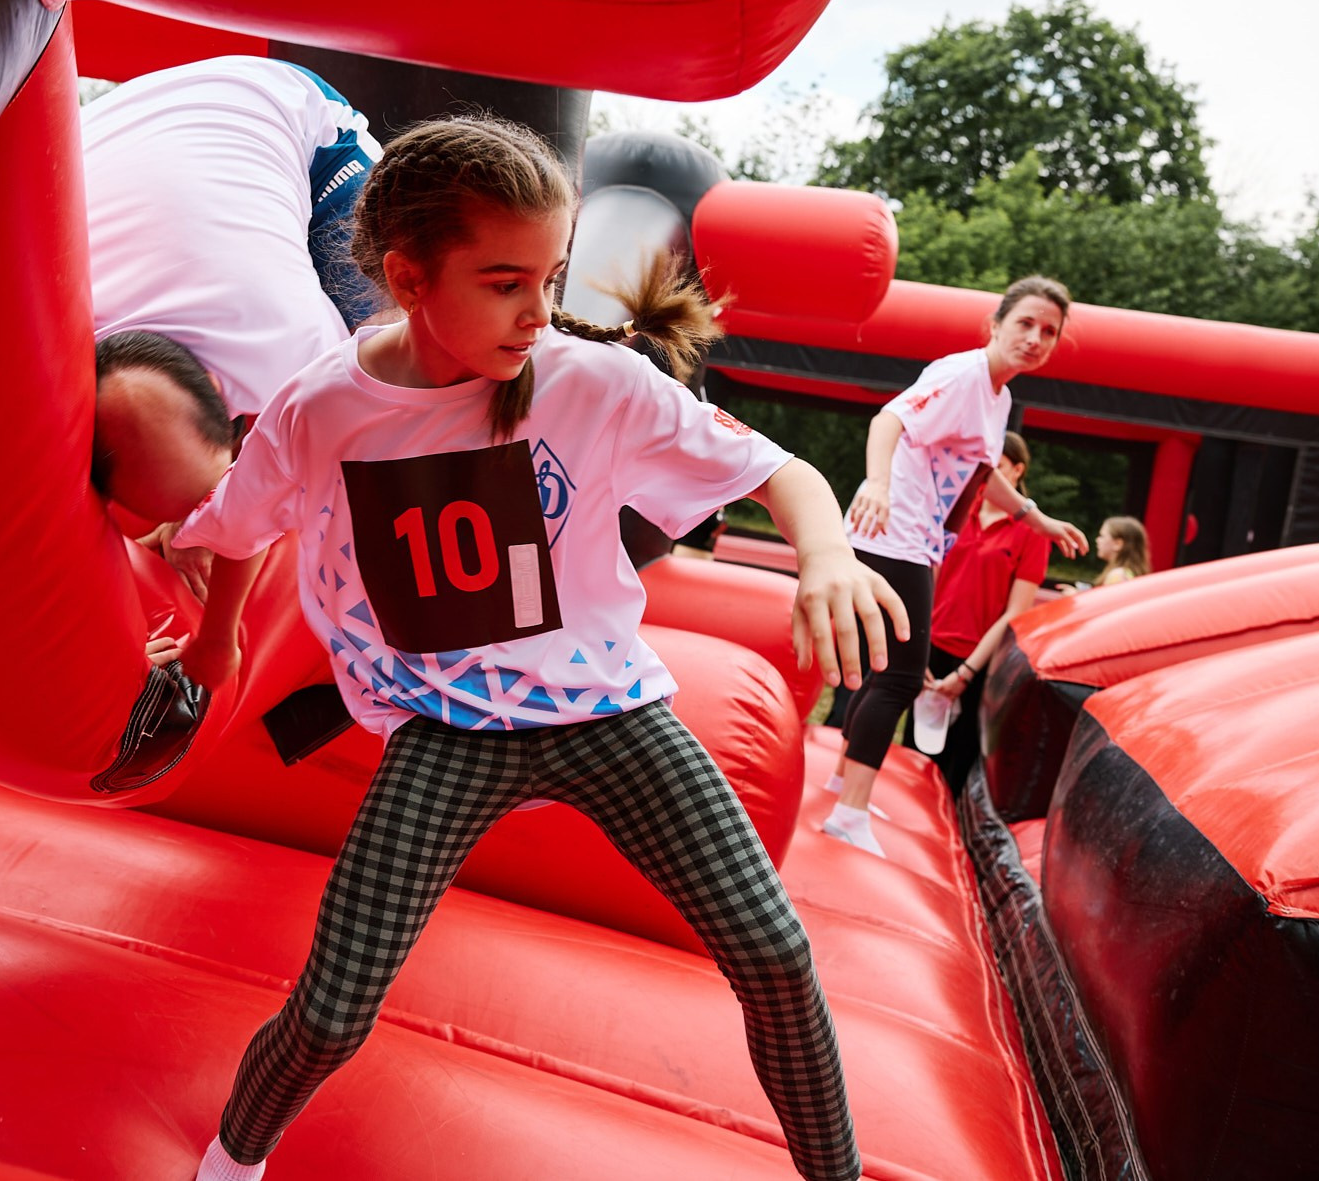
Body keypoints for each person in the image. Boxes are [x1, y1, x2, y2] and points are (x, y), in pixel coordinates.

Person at [171, 115, 904, 1181]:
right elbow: (237, 523)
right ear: (407, 275)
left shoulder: (588, 382)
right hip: (446, 730)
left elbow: (779, 471)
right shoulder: (327, 406)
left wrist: (827, 556)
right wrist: (210, 641)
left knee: (778, 955)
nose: (538, 310)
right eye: (504, 280)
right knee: (332, 1012)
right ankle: (229, 1163)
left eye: (550, 276)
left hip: (610, 712)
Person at [79, 56, 384, 652]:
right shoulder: (45, 349)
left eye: (202, 501)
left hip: (288, 117)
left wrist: (210, 538)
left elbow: (292, 477)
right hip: (132, 126)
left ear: (222, 393)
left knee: (406, 352)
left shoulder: (300, 352)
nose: (193, 523)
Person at [822, 278, 1088, 857]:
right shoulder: (963, 375)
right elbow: (888, 421)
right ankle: (848, 812)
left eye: (1049, 332)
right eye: (1025, 324)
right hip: (894, 532)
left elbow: (980, 470)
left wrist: (1035, 518)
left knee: (883, 667)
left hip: (915, 537)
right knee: (899, 675)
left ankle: (846, 779)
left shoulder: (998, 396)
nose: (1036, 338)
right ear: (995, 325)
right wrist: (878, 481)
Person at [910, 431, 1050, 794]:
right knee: (915, 756)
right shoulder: (956, 508)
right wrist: (920, 648)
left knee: (957, 763)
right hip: (931, 648)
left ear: (1017, 471)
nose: (988, 478)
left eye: (998, 469)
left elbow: (1015, 613)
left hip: (980, 663)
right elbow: (929, 579)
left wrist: (967, 672)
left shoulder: (1033, 531)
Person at [1090, 514, 1151, 585]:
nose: (1097, 540)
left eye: (1102, 536)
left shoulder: (1118, 576)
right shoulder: (1129, 573)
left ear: (1118, 544)